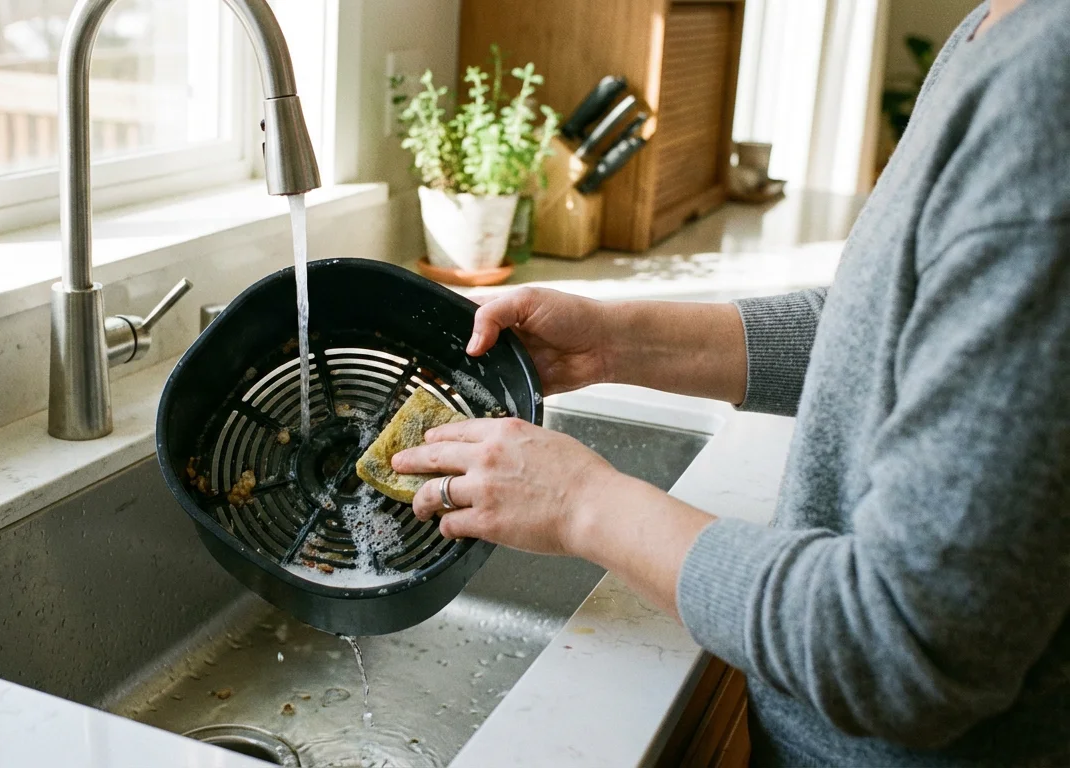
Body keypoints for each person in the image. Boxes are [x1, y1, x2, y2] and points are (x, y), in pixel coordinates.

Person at [392, 1, 1070, 764]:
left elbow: (904, 645)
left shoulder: (1047, 92)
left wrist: (584, 504)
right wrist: (616, 341)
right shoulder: (1000, 28)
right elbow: (890, 328)